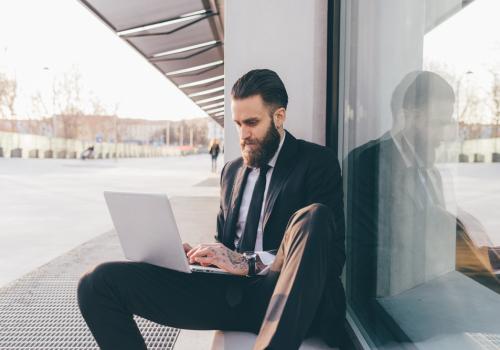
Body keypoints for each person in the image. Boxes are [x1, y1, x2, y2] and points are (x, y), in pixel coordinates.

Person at [77, 69, 346, 350]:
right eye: (238, 124)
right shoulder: (231, 172)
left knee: (314, 216)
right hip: (228, 295)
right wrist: (202, 259)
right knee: (97, 284)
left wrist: (248, 263)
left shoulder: (317, 162)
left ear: (279, 117)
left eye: (252, 123)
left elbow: (331, 258)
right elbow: (227, 246)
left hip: (280, 294)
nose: (244, 135)